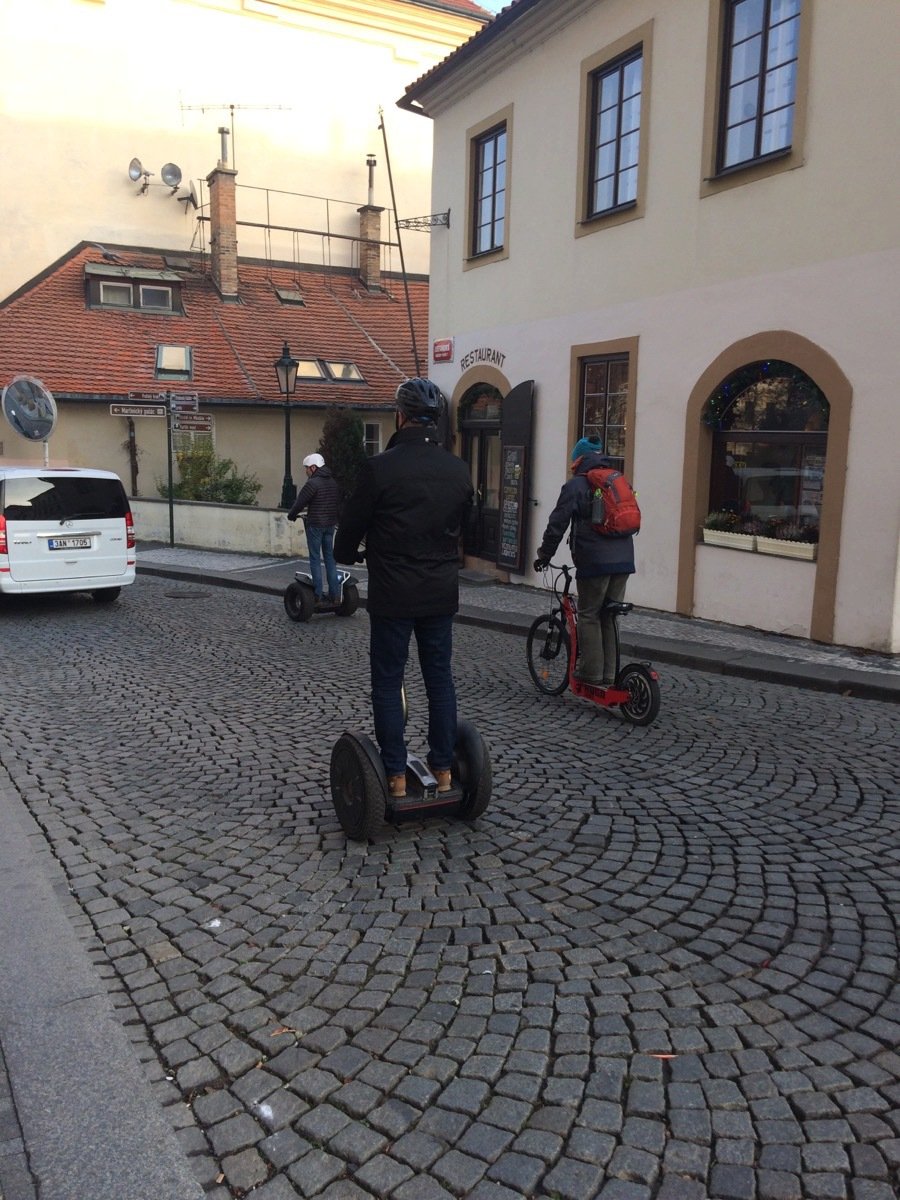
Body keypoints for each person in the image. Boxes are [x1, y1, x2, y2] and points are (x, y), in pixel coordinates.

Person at [334, 378, 473, 799]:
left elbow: (350, 530)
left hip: (394, 595)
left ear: (400, 416)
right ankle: (444, 769)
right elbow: (465, 526)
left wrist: (349, 553)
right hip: (439, 592)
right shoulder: (458, 469)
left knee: (389, 680)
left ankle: (394, 775)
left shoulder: (380, 468)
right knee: (439, 681)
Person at [534, 435, 636, 686]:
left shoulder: (576, 486)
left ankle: (591, 673)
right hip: (624, 561)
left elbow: (557, 524)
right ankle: (610, 675)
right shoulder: (617, 480)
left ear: (579, 459)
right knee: (608, 616)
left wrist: (544, 555)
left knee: (589, 613)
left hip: (595, 561)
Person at [287, 452, 342, 606]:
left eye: (307, 468)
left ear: (313, 467)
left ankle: (317, 596)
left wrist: (291, 515)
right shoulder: (332, 482)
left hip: (316, 525)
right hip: (330, 525)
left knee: (315, 558)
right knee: (330, 559)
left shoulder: (313, 483)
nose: (306, 471)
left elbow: (300, 503)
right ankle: (335, 595)